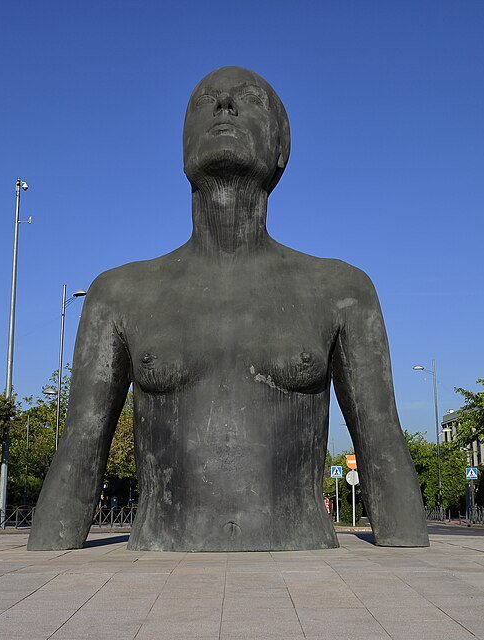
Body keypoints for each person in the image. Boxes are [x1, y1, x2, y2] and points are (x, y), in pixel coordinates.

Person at [28, 66, 428, 551]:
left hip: (304, 570)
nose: (223, 106)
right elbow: (81, 444)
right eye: (205, 100)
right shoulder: (119, 294)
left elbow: (381, 438)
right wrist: (47, 551)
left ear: (281, 150)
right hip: (160, 569)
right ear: (181, 150)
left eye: (248, 99)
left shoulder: (341, 291)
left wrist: (409, 553)